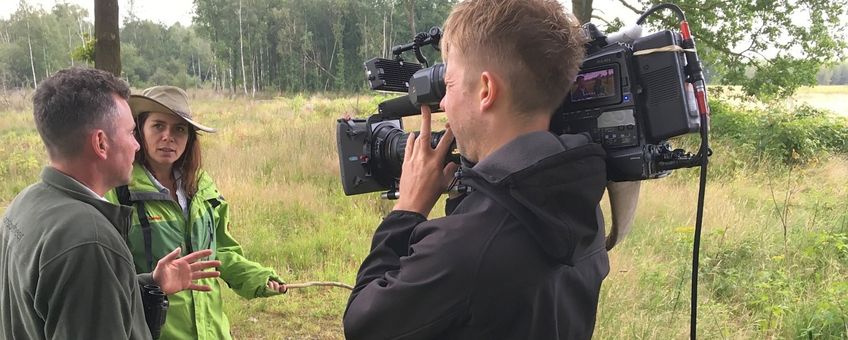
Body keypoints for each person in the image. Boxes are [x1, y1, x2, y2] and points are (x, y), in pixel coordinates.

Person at [344, 0, 625, 338]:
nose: (443, 103)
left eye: (447, 85)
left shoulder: (468, 246)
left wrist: (407, 210)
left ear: (487, 90)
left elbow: (362, 324)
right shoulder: (577, 198)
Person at [0, 67, 221, 340]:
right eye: (130, 133)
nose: (137, 146)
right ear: (101, 143)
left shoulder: (25, 204)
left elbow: (62, 303)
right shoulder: (90, 241)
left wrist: (151, 283)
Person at [104, 85, 287, 340]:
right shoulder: (119, 194)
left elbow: (219, 251)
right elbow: (106, 274)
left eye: (179, 129)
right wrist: (153, 282)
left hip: (213, 331)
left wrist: (257, 277)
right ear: (140, 131)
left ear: (190, 137)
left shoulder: (201, 187)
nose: (168, 137)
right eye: (158, 126)